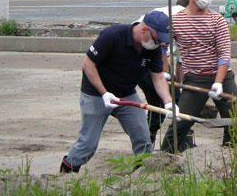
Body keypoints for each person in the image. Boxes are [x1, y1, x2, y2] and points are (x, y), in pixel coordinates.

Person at [59, 10, 178, 173]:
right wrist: (103, 93)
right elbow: (87, 64)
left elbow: (157, 77)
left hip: (126, 94)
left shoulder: (153, 48)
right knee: (88, 144)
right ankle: (66, 174)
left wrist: (168, 102)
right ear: (144, 30)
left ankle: (143, 175)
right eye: (158, 40)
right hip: (97, 94)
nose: (160, 45)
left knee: (142, 137)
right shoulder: (113, 35)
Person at [161, 0, 237, 153]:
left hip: (223, 77)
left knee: (235, 119)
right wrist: (165, 71)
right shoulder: (177, 21)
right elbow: (161, 47)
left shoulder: (217, 20)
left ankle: (231, 154)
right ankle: (164, 156)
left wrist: (219, 83)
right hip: (195, 78)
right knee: (181, 121)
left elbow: (224, 55)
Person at [135, 0, 190, 148]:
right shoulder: (178, 17)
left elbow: (180, 60)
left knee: (170, 99)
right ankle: (155, 143)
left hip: (153, 56)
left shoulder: (174, 13)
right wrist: (165, 77)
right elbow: (159, 50)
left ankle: (179, 141)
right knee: (162, 102)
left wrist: (181, 84)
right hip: (143, 55)